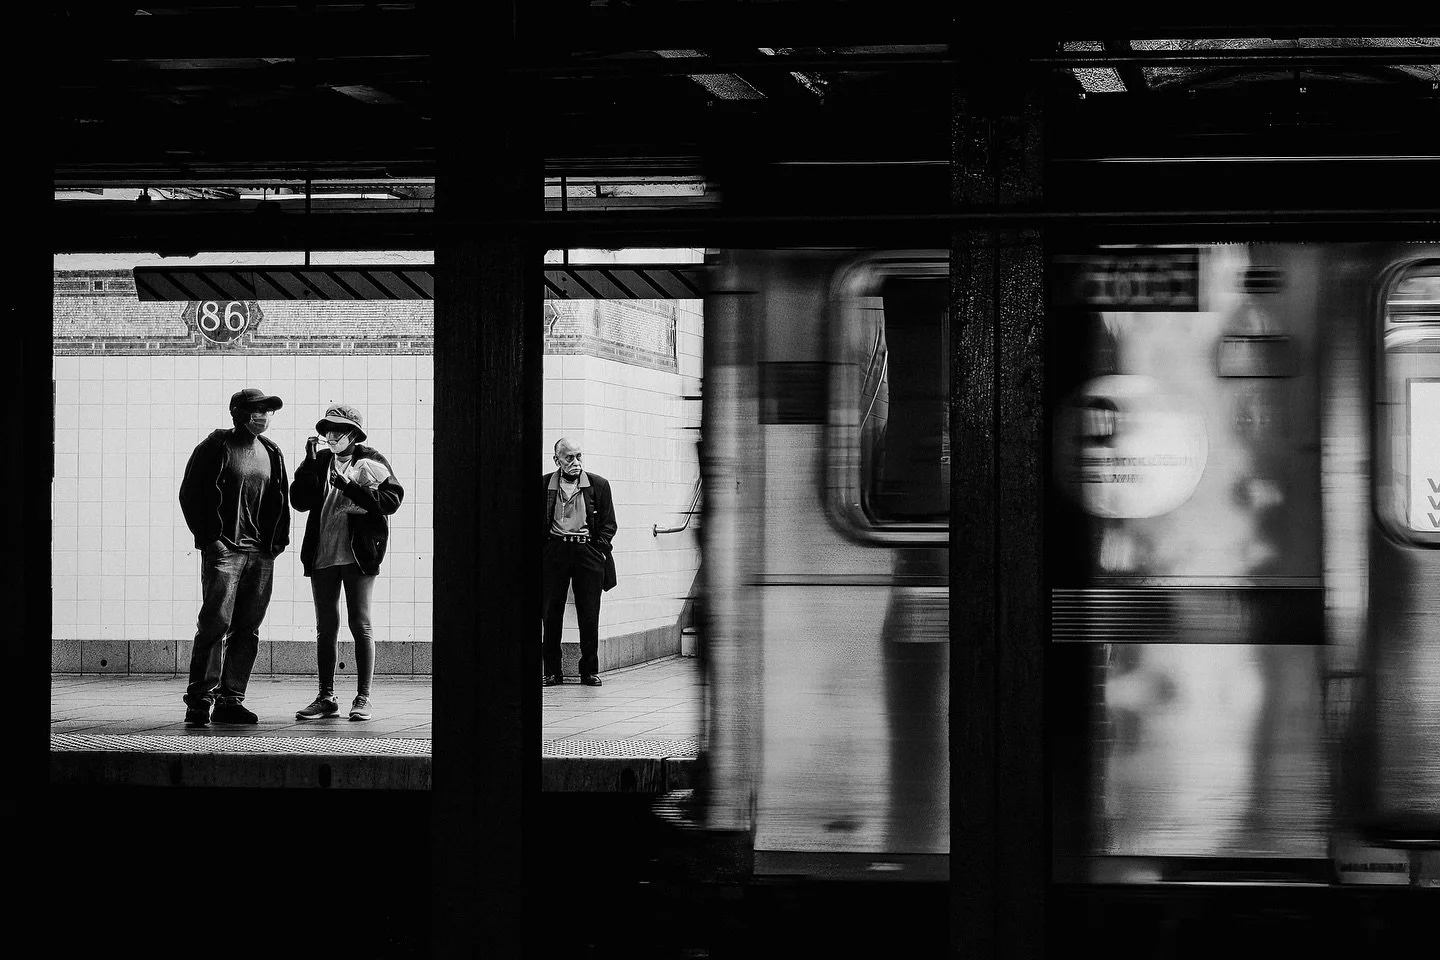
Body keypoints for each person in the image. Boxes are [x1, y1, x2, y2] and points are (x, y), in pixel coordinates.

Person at [177, 387, 291, 726]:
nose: (265, 416)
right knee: (215, 623)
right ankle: (199, 700)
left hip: (260, 553)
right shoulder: (216, 446)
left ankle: (231, 700)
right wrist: (211, 539)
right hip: (225, 549)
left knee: (248, 628)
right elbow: (191, 494)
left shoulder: (271, 450)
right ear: (239, 412)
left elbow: (279, 499)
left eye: (269, 410)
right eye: (259, 410)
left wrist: (276, 543)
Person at [290, 404, 404, 722]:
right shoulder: (320, 461)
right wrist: (311, 464)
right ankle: (326, 697)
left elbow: (391, 501)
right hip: (323, 555)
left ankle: (363, 698)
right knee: (326, 627)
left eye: (338, 430)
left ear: (353, 433)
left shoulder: (371, 460)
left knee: (360, 624)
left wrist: (350, 487)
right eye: (327, 429)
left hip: (359, 555)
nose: (331, 436)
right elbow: (299, 501)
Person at [542, 437, 618, 687]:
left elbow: (609, 525)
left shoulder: (598, 485)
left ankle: (589, 671)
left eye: (579, 456)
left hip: (587, 551)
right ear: (557, 460)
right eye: (569, 458)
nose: (575, 462)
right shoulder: (544, 485)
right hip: (555, 551)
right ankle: (552, 671)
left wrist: (599, 551)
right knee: (551, 613)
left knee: (589, 613)